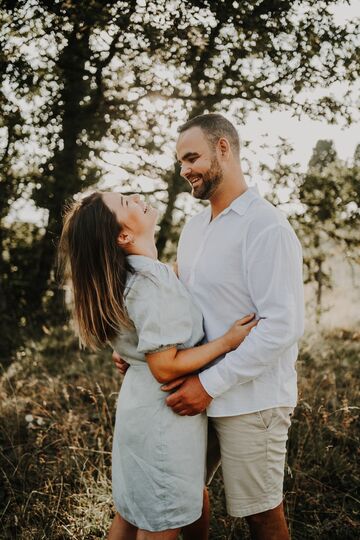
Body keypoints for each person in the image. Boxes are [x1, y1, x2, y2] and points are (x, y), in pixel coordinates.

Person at [58, 190, 258, 540]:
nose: (137, 196)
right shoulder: (151, 283)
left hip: (139, 408)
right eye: (125, 202)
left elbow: (145, 335)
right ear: (123, 236)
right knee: (161, 521)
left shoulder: (132, 277)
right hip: (163, 418)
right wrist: (226, 342)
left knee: (132, 511)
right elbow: (165, 367)